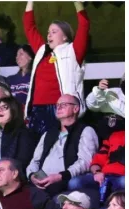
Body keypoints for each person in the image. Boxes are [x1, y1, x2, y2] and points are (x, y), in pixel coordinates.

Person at [23, 1, 90, 136]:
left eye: (54, 32)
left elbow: (84, 24)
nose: (49, 35)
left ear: (65, 36)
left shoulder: (73, 51)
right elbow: (29, 27)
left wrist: (77, 2)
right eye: (48, 32)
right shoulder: (42, 51)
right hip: (36, 109)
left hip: (60, 109)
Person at [26, 94, 98, 197]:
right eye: (57, 105)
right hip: (42, 180)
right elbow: (35, 161)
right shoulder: (48, 134)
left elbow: (85, 162)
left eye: (63, 105)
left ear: (76, 108)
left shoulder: (85, 131)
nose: (58, 107)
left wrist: (61, 176)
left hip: (64, 179)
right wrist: (32, 175)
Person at [71, 130, 125, 205]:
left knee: (124, 182)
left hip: (122, 177)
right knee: (74, 183)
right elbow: (97, 161)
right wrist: (97, 172)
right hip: (104, 176)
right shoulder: (114, 135)